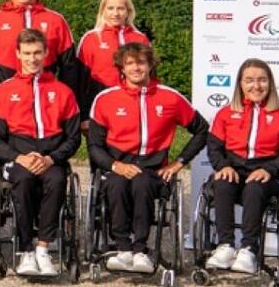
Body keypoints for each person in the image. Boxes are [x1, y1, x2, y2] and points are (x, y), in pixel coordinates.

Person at [88, 42, 207, 274]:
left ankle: (140, 249)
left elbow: (202, 130)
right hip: (118, 165)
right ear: (121, 67)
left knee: (142, 183)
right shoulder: (105, 99)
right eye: (130, 63)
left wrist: (180, 161)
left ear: (150, 65)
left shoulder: (170, 97)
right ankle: (123, 249)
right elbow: (94, 145)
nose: (135, 68)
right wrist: (116, 165)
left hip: (153, 169)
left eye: (141, 62)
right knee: (116, 183)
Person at [0, 28, 81, 278]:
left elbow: (73, 137)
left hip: (51, 155)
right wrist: (18, 157)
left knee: (57, 179)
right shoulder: (3, 90)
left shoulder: (63, 91)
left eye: (37, 52)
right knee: (25, 179)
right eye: (27, 53)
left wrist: (51, 158)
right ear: (18, 54)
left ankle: (43, 248)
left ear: (47, 53)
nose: (32, 58)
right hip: (18, 155)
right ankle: (26, 249)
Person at [205, 58, 279, 276]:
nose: (256, 86)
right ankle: (225, 246)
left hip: (265, 173)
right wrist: (223, 166)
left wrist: (270, 170)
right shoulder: (226, 114)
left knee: (255, 186)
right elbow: (214, 147)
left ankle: (248, 250)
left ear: (270, 83)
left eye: (262, 80)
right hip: (234, 168)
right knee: (222, 182)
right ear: (240, 84)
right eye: (249, 80)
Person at [74, 0, 149, 119]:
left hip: (134, 103)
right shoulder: (91, 38)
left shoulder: (140, 39)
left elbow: (150, 76)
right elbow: (80, 80)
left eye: (120, 8)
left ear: (128, 12)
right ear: (103, 11)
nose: (115, 13)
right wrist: (84, 116)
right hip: (99, 104)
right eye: (110, 8)